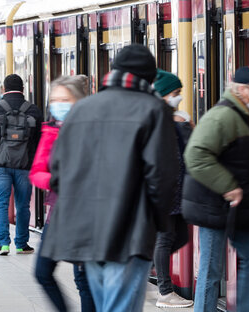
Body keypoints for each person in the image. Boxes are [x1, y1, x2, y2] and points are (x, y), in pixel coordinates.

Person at [40, 45, 181, 312]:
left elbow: (58, 170)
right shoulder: (153, 110)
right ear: (147, 78)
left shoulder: (82, 109)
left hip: (88, 233)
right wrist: (156, 222)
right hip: (130, 233)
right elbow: (162, 176)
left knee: (105, 303)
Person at [182, 66, 249, 312]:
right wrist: (228, 187)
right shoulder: (222, 116)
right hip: (214, 206)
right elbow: (196, 156)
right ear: (242, 90)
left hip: (235, 209)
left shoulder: (245, 115)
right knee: (211, 268)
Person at [30, 75, 95, 312]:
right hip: (58, 213)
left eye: (64, 99)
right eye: (54, 99)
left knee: (84, 280)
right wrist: (55, 180)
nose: (58, 104)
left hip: (88, 216)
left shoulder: (94, 130)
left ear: (80, 101)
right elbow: (36, 171)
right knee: (42, 272)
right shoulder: (50, 131)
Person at [0, 74, 43, 256]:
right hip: (25, 165)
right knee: (22, 205)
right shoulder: (33, 110)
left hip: (0, 164)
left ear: (3, 89)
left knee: (1, 203)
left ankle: (4, 244)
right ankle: (22, 244)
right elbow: (39, 141)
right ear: (23, 89)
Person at [151, 70, 193, 308]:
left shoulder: (171, 118)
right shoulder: (158, 119)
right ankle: (165, 292)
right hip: (165, 191)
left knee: (181, 237)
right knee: (165, 239)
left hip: (176, 191)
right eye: (175, 93)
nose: (178, 98)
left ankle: (139, 266)